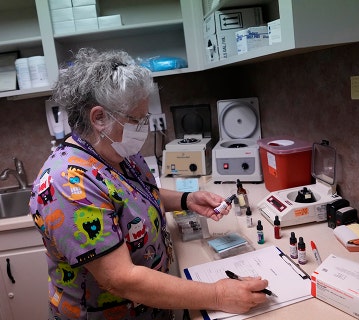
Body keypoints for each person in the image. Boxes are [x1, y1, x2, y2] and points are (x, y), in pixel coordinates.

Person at [29, 48, 269, 319]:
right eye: (136, 119)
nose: (144, 127)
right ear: (99, 118)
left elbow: (133, 194)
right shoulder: (68, 183)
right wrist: (218, 295)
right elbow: (121, 279)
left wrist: (185, 200)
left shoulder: (115, 151)